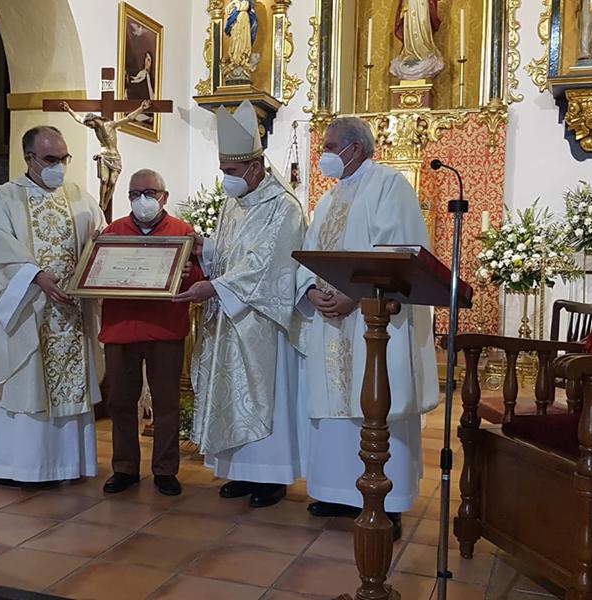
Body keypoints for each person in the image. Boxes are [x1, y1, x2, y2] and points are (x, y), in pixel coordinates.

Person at [296, 117, 439, 539]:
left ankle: (386, 501)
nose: (324, 154)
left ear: (355, 148)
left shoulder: (389, 186)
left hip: (373, 320)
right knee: (335, 405)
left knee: (377, 403)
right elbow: (308, 253)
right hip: (331, 321)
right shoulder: (329, 199)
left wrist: (354, 296)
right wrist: (310, 291)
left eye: (329, 146)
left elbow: (400, 255)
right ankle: (338, 492)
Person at [175, 100, 307, 509]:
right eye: (223, 171)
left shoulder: (283, 207)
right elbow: (234, 254)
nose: (226, 179)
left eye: (231, 171)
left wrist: (215, 288)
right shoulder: (234, 203)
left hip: (261, 322)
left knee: (262, 395)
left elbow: (268, 265)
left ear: (255, 167)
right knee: (232, 397)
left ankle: (271, 476)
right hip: (230, 315)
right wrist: (207, 250)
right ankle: (240, 472)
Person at [0, 125, 105, 485]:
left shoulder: (80, 198)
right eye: (50, 159)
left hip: (72, 315)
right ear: (28, 158)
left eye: (64, 158)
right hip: (27, 312)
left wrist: (97, 252)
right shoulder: (4, 199)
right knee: (26, 383)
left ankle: (67, 465)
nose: (59, 166)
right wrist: (38, 277)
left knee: (68, 383)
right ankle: (18, 467)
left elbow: (99, 242)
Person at [98, 169, 204, 497]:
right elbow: (96, 275)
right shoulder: (113, 232)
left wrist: (188, 272)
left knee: (166, 402)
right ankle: (124, 467)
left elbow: (199, 281)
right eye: (134, 194)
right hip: (121, 328)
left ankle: (165, 470)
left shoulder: (184, 233)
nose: (142, 199)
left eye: (149, 193)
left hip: (165, 328)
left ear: (164, 196)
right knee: (120, 401)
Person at [60, 99, 152, 218]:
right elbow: (79, 119)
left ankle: (106, 203)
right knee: (104, 180)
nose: (89, 127)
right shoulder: (95, 128)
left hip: (115, 157)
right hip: (103, 156)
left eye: (89, 124)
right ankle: (101, 203)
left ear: (94, 119)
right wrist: (69, 110)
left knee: (112, 182)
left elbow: (128, 118)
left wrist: (141, 108)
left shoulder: (110, 125)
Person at [390, 0, 444, 81]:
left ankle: (424, 51)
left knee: (423, 23)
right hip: (410, 3)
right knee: (410, 26)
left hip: (422, 2)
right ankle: (411, 53)